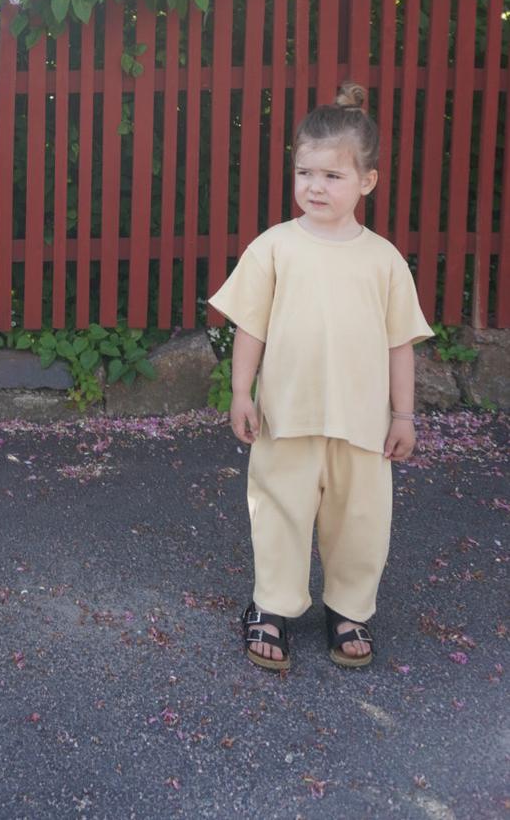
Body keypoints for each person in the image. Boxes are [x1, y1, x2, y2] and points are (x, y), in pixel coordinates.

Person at [208, 82, 434, 671]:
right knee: (279, 513)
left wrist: (403, 415)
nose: (315, 186)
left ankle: (349, 610)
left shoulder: (384, 260)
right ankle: (272, 605)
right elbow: (251, 327)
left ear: (367, 181)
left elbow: (399, 344)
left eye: (333, 176)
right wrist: (241, 391)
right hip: (287, 417)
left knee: (361, 522)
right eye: (304, 172)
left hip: (362, 425)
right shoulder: (274, 248)